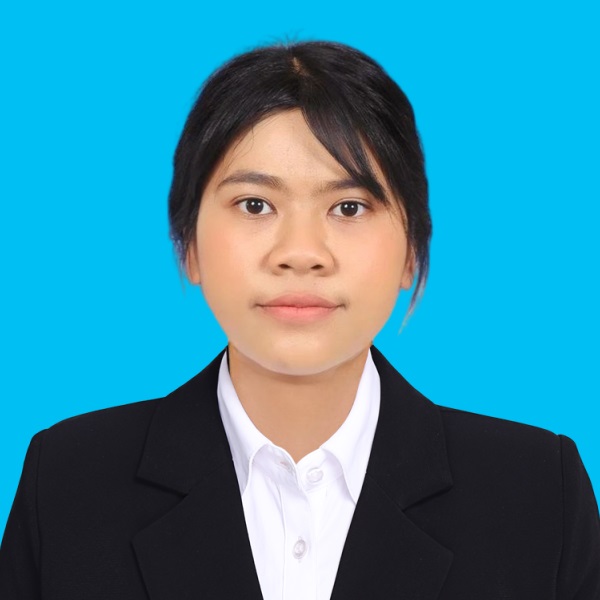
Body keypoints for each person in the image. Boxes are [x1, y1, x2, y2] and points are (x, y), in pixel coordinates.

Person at [1, 40, 599, 600]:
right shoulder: (69, 482)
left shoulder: (538, 494)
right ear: (188, 245)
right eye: (255, 205)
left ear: (412, 251)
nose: (301, 252)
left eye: (349, 207)